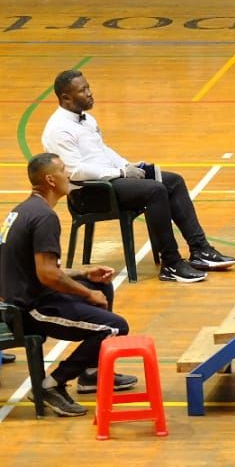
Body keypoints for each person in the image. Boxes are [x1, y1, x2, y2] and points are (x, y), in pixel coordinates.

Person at [40, 68, 235, 283]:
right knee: (155, 191)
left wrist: (127, 165)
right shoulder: (58, 129)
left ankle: (200, 250)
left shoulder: (87, 120)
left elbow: (103, 150)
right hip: (90, 192)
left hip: (111, 181)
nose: (89, 93)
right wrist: (121, 172)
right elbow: (74, 171)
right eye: (82, 90)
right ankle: (171, 263)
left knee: (172, 181)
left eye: (88, 87)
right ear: (66, 98)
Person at [0, 152, 130, 417]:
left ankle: (90, 372)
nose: (68, 174)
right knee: (115, 327)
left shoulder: (23, 210)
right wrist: (86, 294)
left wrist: (83, 274)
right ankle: (51, 385)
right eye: (63, 170)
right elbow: (48, 275)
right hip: (28, 310)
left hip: (21, 299)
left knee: (102, 286)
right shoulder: (45, 218)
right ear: (50, 179)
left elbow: (36, 267)